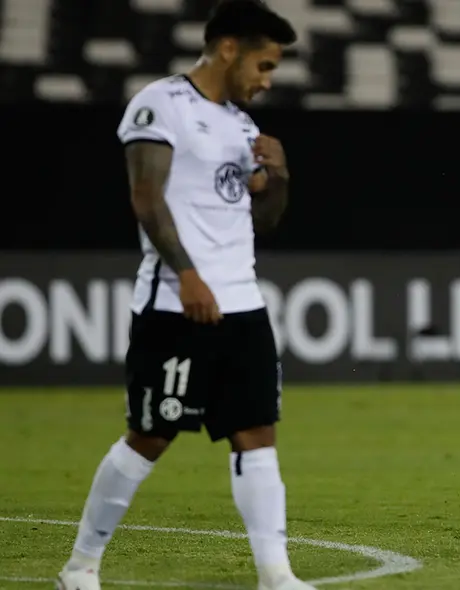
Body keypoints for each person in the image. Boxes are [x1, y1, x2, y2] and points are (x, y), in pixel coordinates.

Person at [55, 2, 312, 588]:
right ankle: (81, 566)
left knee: (257, 434)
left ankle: (277, 575)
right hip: (176, 304)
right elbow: (147, 196)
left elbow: (263, 219)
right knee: (150, 434)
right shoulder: (160, 105)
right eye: (264, 65)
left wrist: (281, 177)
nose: (267, 81)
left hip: (243, 305)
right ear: (228, 48)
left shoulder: (242, 126)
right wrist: (188, 275)